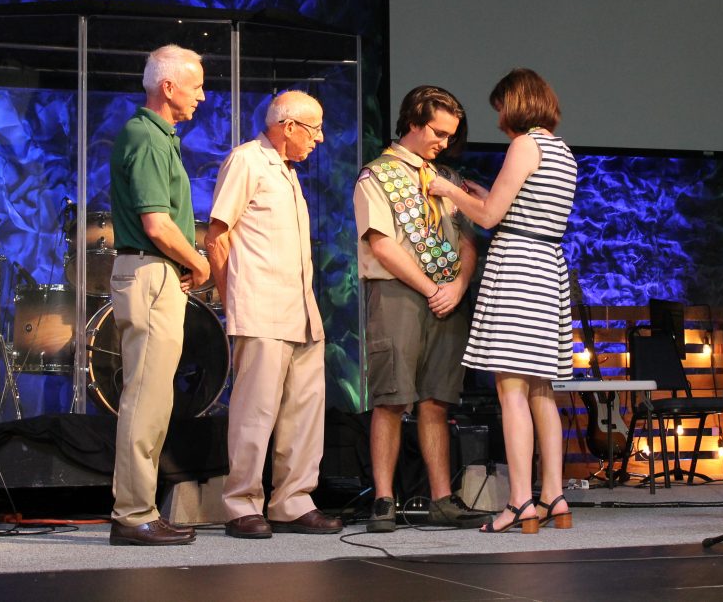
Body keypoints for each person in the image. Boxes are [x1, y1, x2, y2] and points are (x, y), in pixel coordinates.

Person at [428, 68, 578, 533]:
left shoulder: (525, 144)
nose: (498, 121)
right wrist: (484, 194)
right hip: (547, 265)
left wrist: (451, 191)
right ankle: (554, 497)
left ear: (514, 103)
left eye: (500, 109)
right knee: (542, 391)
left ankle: (518, 502)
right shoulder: (562, 151)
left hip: (518, 268)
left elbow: (493, 217)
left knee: (511, 388)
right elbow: (515, 204)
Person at [206, 90, 343, 538]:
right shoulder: (247, 161)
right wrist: (232, 302)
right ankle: (241, 503)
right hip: (261, 307)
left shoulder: (287, 172)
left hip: (301, 311)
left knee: (303, 413)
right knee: (255, 412)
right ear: (288, 127)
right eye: (314, 128)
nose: (319, 139)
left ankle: (292, 500)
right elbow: (217, 236)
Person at [354, 85, 490, 532]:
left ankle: (442, 498)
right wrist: (433, 287)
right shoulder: (377, 175)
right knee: (392, 398)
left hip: (449, 296)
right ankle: (384, 499)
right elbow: (381, 244)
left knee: (438, 400)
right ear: (413, 122)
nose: (444, 142)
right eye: (437, 132)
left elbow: (468, 238)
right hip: (398, 294)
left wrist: (459, 284)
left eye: (450, 135)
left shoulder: (447, 178)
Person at [108, 44, 211, 546]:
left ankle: (138, 508)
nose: (202, 96)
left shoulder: (157, 136)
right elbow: (157, 223)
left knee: (153, 396)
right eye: (195, 86)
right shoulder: (146, 137)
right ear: (168, 87)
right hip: (150, 274)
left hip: (153, 273)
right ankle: (132, 515)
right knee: (146, 399)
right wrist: (198, 260)